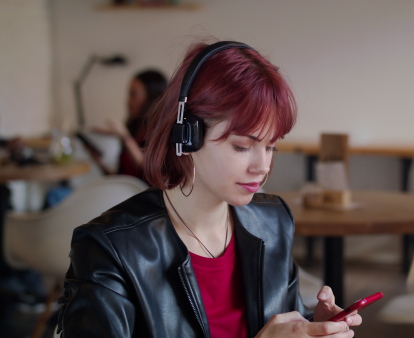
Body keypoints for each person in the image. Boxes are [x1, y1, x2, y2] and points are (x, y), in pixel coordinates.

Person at [57, 40, 361, 337]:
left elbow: (275, 321)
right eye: (242, 146)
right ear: (187, 137)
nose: (263, 166)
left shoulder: (272, 221)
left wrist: (312, 327)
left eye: (271, 147)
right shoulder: (108, 249)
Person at [90, 69, 167, 181]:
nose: (128, 101)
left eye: (133, 94)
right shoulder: (135, 128)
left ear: (151, 97)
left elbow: (150, 172)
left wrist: (125, 137)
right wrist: (98, 162)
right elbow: (122, 179)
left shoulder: (160, 132)